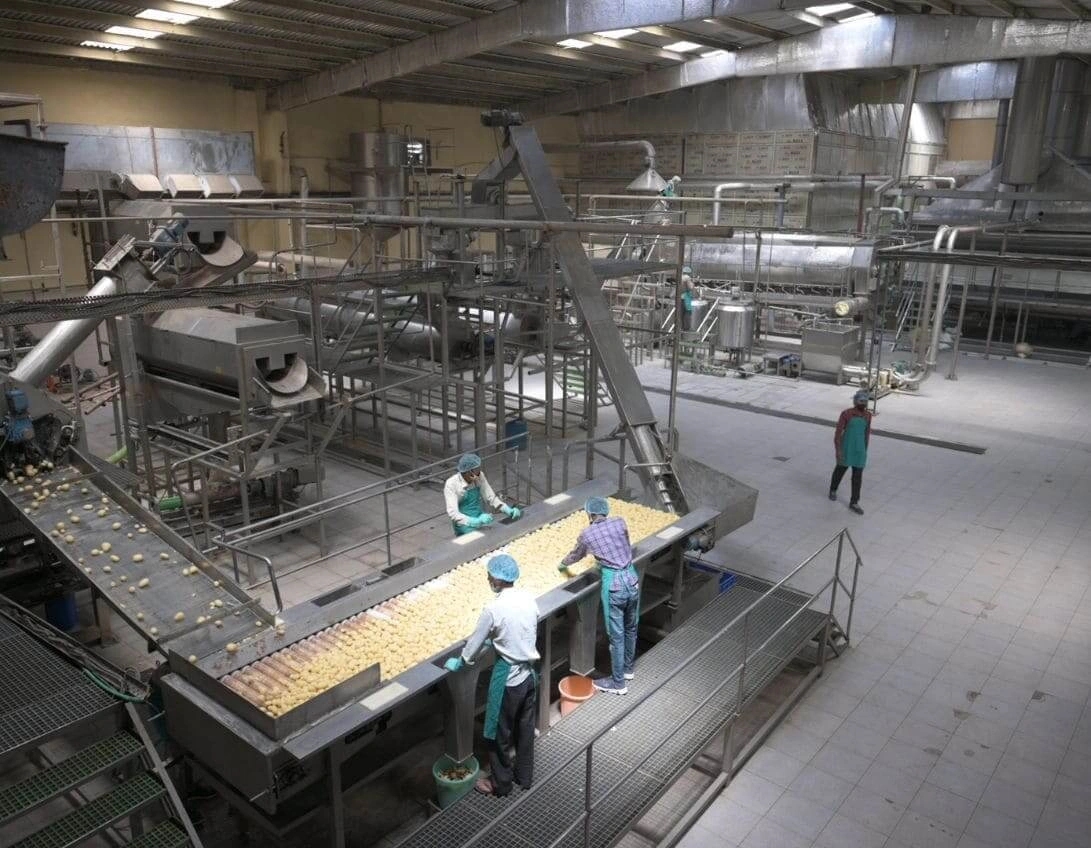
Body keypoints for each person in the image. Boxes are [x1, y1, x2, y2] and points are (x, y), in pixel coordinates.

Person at [444, 554, 539, 796]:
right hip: (529, 675)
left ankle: (500, 784)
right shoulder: (528, 599)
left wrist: (462, 660)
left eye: (489, 576)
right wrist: (498, 640)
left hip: (509, 678)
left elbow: (474, 643)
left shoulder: (493, 609)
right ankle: (524, 776)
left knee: (497, 733)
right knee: (525, 728)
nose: (488, 579)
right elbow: (523, 628)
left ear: (496, 579)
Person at [557, 497, 639, 695]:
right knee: (631, 627)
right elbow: (624, 545)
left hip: (615, 586)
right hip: (632, 579)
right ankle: (628, 669)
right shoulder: (620, 522)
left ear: (590, 514)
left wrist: (563, 564)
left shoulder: (587, 534)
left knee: (616, 636)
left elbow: (577, 555)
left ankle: (618, 683)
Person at [444, 453, 521, 536]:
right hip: (464, 524)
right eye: (476, 470)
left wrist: (507, 509)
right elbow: (453, 513)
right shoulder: (451, 484)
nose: (479, 473)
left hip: (479, 515)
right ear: (467, 472)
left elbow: (491, 497)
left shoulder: (479, 476)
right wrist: (475, 521)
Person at [829, 389, 873, 515]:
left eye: (865, 401)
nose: (863, 404)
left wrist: (865, 450)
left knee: (857, 478)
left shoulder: (868, 416)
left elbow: (866, 434)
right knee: (840, 471)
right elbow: (838, 434)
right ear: (855, 401)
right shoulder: (846, 414)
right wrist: (838, 450)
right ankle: (833, 489)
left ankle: (854, 502)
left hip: (860, 451)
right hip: (846, 448)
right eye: (860, 401)